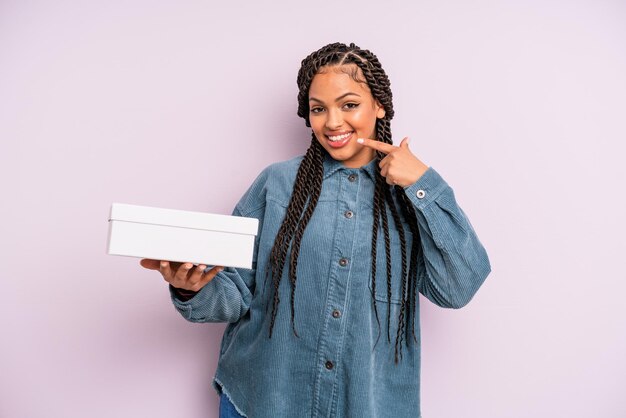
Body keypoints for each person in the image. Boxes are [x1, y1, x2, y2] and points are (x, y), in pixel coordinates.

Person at [140, 42, 491, 418]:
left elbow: (457, 288)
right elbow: (235, 294)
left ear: (380, 106)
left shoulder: (412, 199)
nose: (333, 122)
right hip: (263, 401)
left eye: (349, 104)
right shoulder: (276, 185)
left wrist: (422, 183)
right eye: (318, 109)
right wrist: (192, 286)